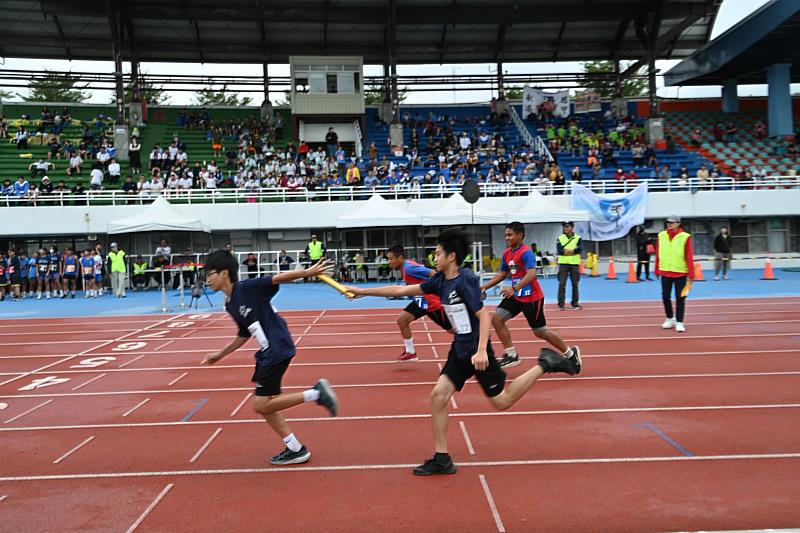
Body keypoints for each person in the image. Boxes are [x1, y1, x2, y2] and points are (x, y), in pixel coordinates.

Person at [344, 229, 579, 476]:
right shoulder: (439, 281)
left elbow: (484, 315)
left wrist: (480, 351)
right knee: (438, 396)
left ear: (452, 256)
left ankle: (546, 363)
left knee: (503, 401)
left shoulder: (465, 279)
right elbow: (401, 291)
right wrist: (363, 291)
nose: (434, 258)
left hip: (478, 352)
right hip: (459, 350)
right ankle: (442, 458)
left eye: (437, 253)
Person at [201, 250, 339, 466]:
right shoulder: (230, 303)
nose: (207, 279)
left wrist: (308, 272)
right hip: (269, 352)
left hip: (277, 348)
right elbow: (244, 333)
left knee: (261, 405)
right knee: (266, 404)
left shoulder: (246, 289)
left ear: (224, 273)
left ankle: (316, 394)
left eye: (210, 274)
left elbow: (276, 278)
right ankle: (295, 448)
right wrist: (219, 355)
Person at [480, 222, 583, 369]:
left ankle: (571, 354)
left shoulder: (526, 253)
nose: (507, 238)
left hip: (532, 298)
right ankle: (512, 355)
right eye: (505, 235)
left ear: (520, 235)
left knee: (540, 332)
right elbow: (503, 273)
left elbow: (532, 274)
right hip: (516, 296)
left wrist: (514, 288)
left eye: (509, 235)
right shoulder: (507, 253)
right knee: (497, 319)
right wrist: (484, 287)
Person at [386, 244, 453, 362]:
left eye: (391, 259)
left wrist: (443, 290)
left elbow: (433, 273)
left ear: (400, 257)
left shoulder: (409, 268)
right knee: (402, 321)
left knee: (452, 330)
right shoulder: (406, 268)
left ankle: (476, 343)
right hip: (420, 300)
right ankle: (410, 352)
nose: (388, 262)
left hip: (432, 303)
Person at [655, 215, 695, 333]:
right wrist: (657, 268)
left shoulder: (685, 237)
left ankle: (679, 322)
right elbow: (658, 253)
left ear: (678, 223)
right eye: (668, 222)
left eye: (672, 222)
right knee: (665, 296)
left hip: (680, 272)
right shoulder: (661, 235)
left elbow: (689, 255)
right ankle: (669, 318)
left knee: (680, 298)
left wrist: (691, 274)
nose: (669, 224)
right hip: (666, 271)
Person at [556, 221, 582, 310]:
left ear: (572, 228)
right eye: (564, 227)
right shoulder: (560, 238)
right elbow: (559, 250)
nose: (565, 228)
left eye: (567, 226)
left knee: (575, 284)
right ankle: (561, 304)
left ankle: (575, 303)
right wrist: (571, 251)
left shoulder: (578, 238)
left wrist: (570, 251)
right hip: (563, 264)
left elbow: (580, 249)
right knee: (562, 284)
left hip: (574, 264)